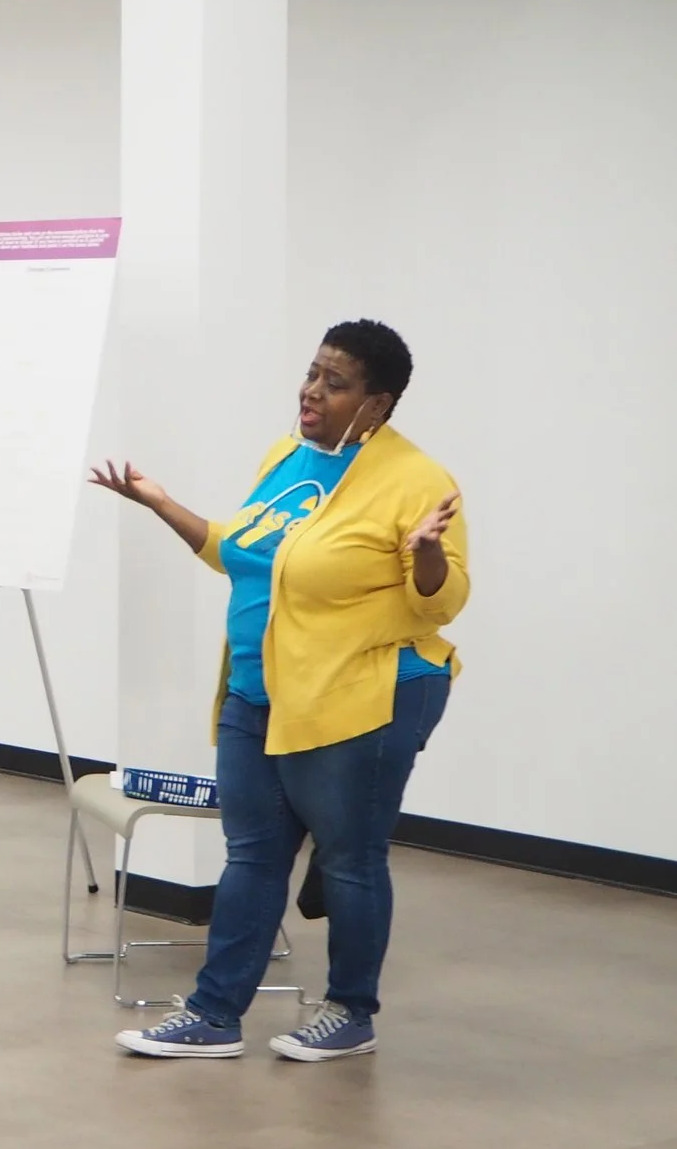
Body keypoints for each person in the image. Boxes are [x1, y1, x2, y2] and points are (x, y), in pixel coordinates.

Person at [96, 320, 468, 1063]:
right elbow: (239, 550)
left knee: (353, 857)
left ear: (379, 400)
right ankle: (213, 1014)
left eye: (336, 382)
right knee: (254, 856)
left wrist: (425, 555)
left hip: (363, 694)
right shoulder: (288, 459)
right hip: (257, 690)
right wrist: (160, 503)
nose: (312, 391)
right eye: (312, 373)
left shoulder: (417, 481)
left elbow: (442, 600)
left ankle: (350, 1010)